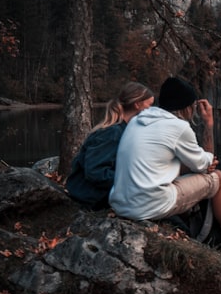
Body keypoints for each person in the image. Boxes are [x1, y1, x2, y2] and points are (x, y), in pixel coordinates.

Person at [109, 76, 221, 260]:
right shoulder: (179, 127)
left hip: (120, 203)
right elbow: (205, 166)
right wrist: (209, 124)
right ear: (188, 107)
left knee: (188, 171)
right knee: (218, 178)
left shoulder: (138, 120)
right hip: (147, 206)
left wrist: (203, 163)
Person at [66, 81, 155, 209]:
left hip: (102, 194)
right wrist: (133, 182)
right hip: (91, 197)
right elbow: (95, 172)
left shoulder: (125, 130)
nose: (151, 110)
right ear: (137, 105)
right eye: (149, 105)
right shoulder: (112, 133)